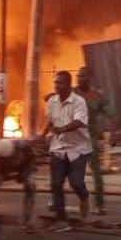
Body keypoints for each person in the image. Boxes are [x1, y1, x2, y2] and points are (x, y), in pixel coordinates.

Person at [45, 70, 91, 225]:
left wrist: (62, 129)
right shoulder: (52, 102)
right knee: (56, 184)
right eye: (55, 83)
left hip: (78, 148)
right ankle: (61, 218)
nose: (56, 86)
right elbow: (50, 122)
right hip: (58, 148)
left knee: (76, 182)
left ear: (68, 85)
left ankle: (84, 198)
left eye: (60, 83)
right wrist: (41, 136)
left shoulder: (79, 102)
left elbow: (80, 122)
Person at [75, 66, 114, 215]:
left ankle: (99, 205)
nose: (80, 78)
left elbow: (110, 112)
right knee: (65, 170)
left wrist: (110, 130)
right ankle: (56, 200)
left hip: (90, 137)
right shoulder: (72, 93)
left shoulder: (96, 96)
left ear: (89, 78)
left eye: (83, 76)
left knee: (96, 173)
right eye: (79, 76)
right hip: (72, 137)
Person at [0, 138, 37, 232]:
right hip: (0, 169)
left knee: (30, 186)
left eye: (8, 158)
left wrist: (25, 174)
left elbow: (31, 160)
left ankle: (28, 221)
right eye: (2, 159)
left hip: (23, 167)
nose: (6, 159)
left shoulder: (24, 146)